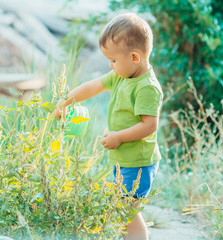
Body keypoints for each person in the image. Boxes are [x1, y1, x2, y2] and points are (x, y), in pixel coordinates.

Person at [54, 12, 163, 240]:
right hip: (124, 159)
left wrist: (119, 137)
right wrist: (66, 101)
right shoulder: (121, 76)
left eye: (113, 60)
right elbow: (93, 87)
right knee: (121, 207)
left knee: (128, 210)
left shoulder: (147, 88)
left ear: (134, 57)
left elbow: (149, 125)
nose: (110, 65)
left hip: (138, 161)